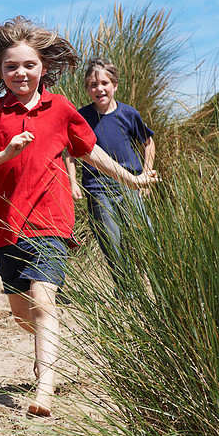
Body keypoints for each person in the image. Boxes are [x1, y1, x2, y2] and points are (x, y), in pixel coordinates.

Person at [0, 18, 158, 417]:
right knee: (22, 312)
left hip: (51, 219)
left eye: (29, 66)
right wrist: (4, 155)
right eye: (11, 67)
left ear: (44, 68)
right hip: (6, 224)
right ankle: (44, 346)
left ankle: (45, 388)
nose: (21, 73)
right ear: (0, 71)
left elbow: (91, 151)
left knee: (43, 296)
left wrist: (132, 179)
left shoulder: (61, 108)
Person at [70, 58, 156, 296]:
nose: (99, 89)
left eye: (104, 83)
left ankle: (154, 281)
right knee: (110, 239)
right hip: (97, 187)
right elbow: (71, 152)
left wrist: (146, 174)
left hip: (130, 184)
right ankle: (126, 289)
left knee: (142, 235)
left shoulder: (129, 114)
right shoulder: (82, 117)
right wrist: (72, 181)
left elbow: (148, 143)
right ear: (88, 89)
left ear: (115, 85)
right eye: (92, 85)